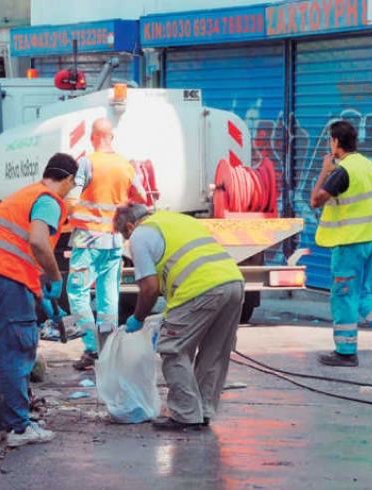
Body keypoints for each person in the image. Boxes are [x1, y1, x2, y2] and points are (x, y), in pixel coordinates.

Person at [0, 153, 78, 446]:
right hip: (6, 281)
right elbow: (38, 241)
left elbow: (13, 249)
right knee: (15, 353)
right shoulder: (49, 200)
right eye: (73, 185)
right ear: (68, 180)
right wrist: (55, 278)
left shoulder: (20, 196)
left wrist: (40, 293)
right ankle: (19, 428)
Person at [113, 203, 245, 430]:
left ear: (129, 226)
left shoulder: (140, 235)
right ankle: (202, 411)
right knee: (215, 352)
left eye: (125, 235)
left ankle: (185, 414)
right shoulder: (179, 220)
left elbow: (149, 288)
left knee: (172, 348)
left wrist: (138, 317)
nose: (128, 241)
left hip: (199, 289)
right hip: (234, 282)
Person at [310, 120, 372, 367]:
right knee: (362, 293)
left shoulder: (343, 171)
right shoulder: (370, 166)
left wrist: (324, 170)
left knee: (343, 295)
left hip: (350, 243)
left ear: (335, 143)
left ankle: (345, 352)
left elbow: (315, 200)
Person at [66, 117, 146, 371]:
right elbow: (142, 197)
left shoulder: (86, 163)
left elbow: (73, 195)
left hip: (87, 238)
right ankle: (108, 346)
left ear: (93, 137)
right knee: (108, 294)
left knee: (77, 292)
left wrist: (67, 213)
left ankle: (92, 347)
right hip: (114, 241)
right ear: (111, 137)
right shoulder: (125, 166)